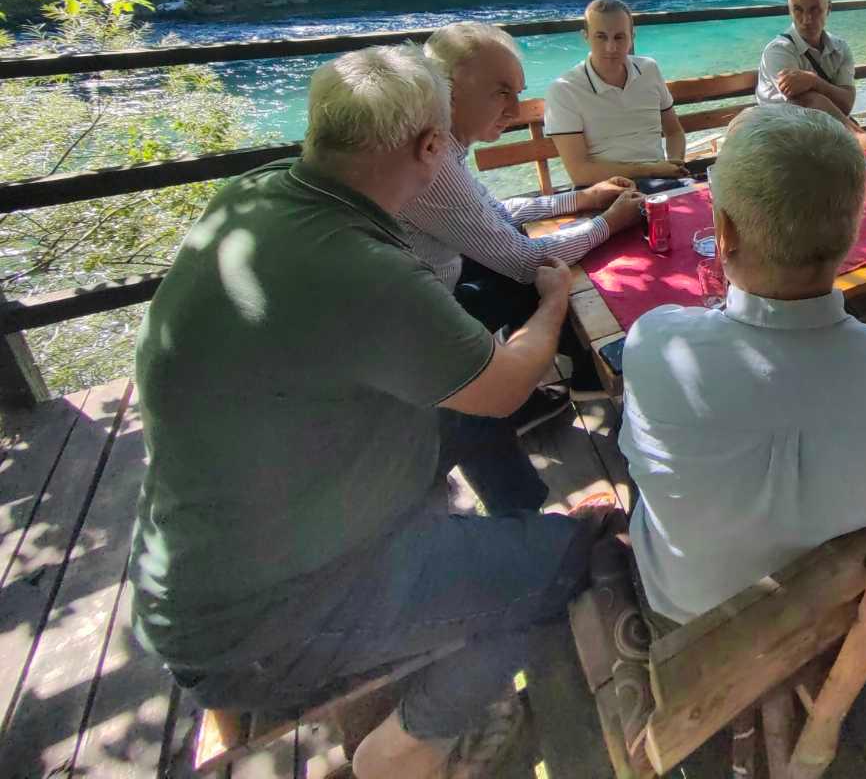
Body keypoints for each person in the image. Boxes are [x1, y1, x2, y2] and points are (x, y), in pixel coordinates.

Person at [130, 46, 601, 779]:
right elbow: (507, 383)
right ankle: (413, 741)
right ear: (428, 146)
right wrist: (553, 300)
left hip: (198, 569)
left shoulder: (255, 196)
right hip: (272, 623)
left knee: (463, 417)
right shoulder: (360, 267)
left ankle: (495, 528)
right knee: (576, 557)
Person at [618, 104, 866, 624]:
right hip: (848, 600)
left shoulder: (655, 345)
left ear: (723, 233)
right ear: (854, 229)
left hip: (693, 611)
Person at [402, 20, 646, 423]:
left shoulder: (442, 142)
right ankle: (539, 391)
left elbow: (494, 212)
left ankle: (564, 380)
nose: (514, 111)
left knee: (536, 261)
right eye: (501, 93)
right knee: (550, 277)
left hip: (433, 290)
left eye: (517, 94)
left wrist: (581, 198)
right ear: (444, 87)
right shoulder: (433, 157)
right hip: (424, 328)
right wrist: (609, 223)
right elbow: (524, 261)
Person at [545, 0, 689, 186]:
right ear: (586, 36)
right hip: (604, 190)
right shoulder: (565, 89)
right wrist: (650, 170)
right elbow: (580, 174)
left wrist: (674, 165)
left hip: (660, 181)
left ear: (632, 37)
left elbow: (674, 132)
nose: (611, 47)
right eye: (601, 36)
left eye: (619, 37)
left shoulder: (649, 69)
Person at [757, 0, 866, 152]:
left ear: (828, 8)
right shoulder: (778, 51)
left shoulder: (840, 48)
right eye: (798, 10)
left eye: (814, 9)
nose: (806, 19)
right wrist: (857, 136)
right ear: (790, 10)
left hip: (825, 137)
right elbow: (809, 103)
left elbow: (846, 104)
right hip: (783, 143)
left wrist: (813, 81)